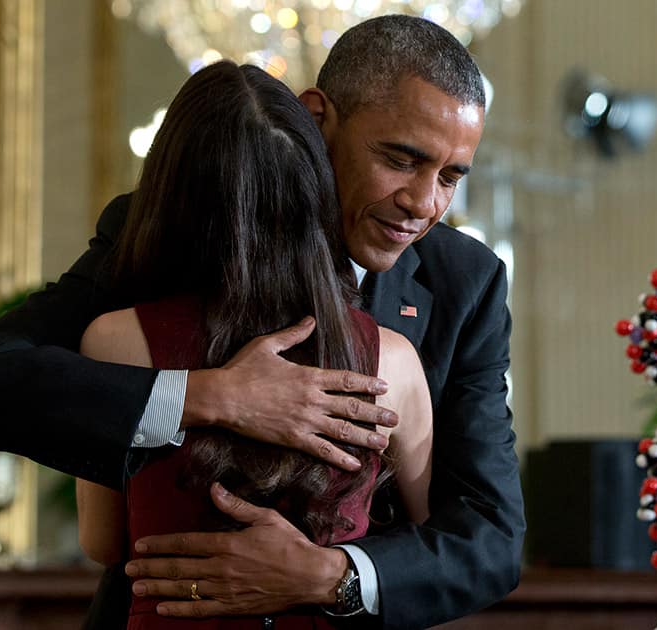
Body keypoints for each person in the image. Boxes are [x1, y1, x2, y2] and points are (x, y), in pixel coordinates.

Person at [0, 14, 524, 629]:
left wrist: (330, 576)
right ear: (317, 117)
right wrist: (204, 395)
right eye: (400, 160)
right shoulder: (168, 231)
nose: (425, 204)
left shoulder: (465, 281)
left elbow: (489, 539)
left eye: (451, 176)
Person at [74, 60, 433, 629]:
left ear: (171, 189)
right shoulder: (393, 359)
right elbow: (429, 544)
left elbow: (101, 542)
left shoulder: (115, 339)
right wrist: (327, 568)